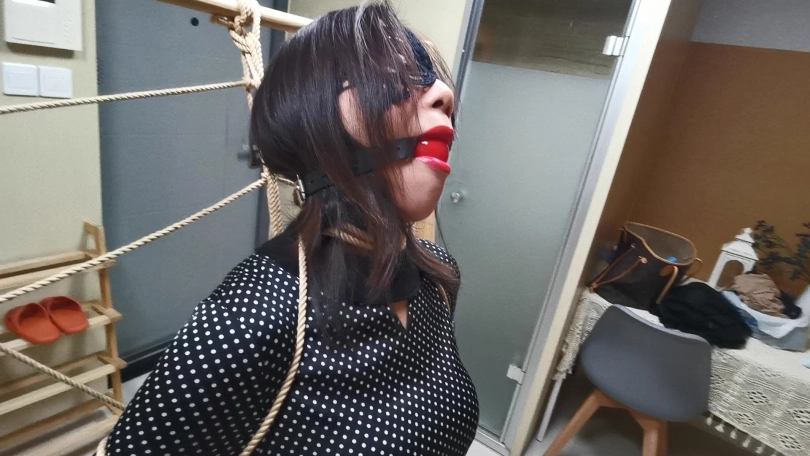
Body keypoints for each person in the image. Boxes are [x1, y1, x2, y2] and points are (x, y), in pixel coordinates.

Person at [103, 2, 479, 454]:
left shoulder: (439, 276)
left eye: (433, 76)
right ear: (311, 114)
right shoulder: (251, 319)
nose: (443, 93)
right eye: (395, 76)